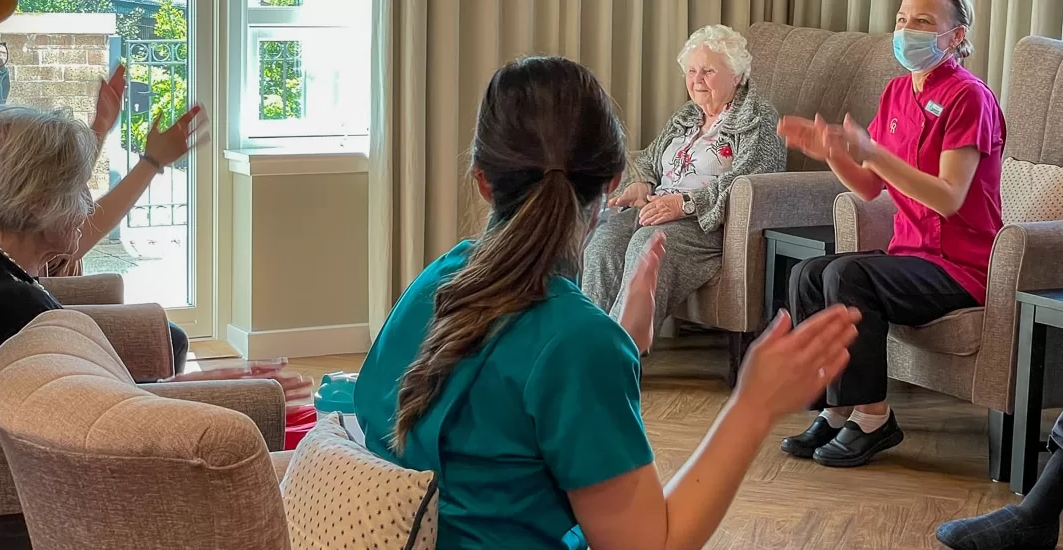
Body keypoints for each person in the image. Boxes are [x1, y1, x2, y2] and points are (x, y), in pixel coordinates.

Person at [353, 55, 862, 550]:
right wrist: (752, 405)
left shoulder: (436, 281)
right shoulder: (575, 342)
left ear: (483, 182)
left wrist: (619, 344)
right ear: (614, 181)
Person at [0, 104, 312, 404]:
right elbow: (112, 411)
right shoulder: (6, 305)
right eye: (77, 190)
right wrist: (231, 389)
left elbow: (105, 392)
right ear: (35, 204)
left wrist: (214, 380)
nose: (88, 206)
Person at [0, 0, 191, 354]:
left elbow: (48, 189)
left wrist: (100, 126)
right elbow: (61, 227)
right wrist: (151, 162)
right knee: (170, 341)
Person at [775, 0, 1002, 469]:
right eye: (902, 20)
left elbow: (948, 198)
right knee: (808, 275)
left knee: (849, 274)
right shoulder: (897, 91)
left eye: (923, 22)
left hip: (961, 266)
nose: (907, 31)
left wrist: (870, 151)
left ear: (956, 36)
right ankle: (836, 411)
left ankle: (875, 420)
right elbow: (869, 186)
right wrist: (833, 153)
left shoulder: (970, 98)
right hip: (910, 255)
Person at [581, 24, 786, 334]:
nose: (697, 80)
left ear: (737, 75)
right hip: (658, 208)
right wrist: (642, 184)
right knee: (604, 241)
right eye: (691, 71)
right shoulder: (687, 115)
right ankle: (585, 341)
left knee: (647, 244)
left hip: (706, 223)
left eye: (707, 71)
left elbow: (754, 178)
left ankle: (619, 352)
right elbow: (649, 160)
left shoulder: (758, 118)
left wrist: (687, 203)